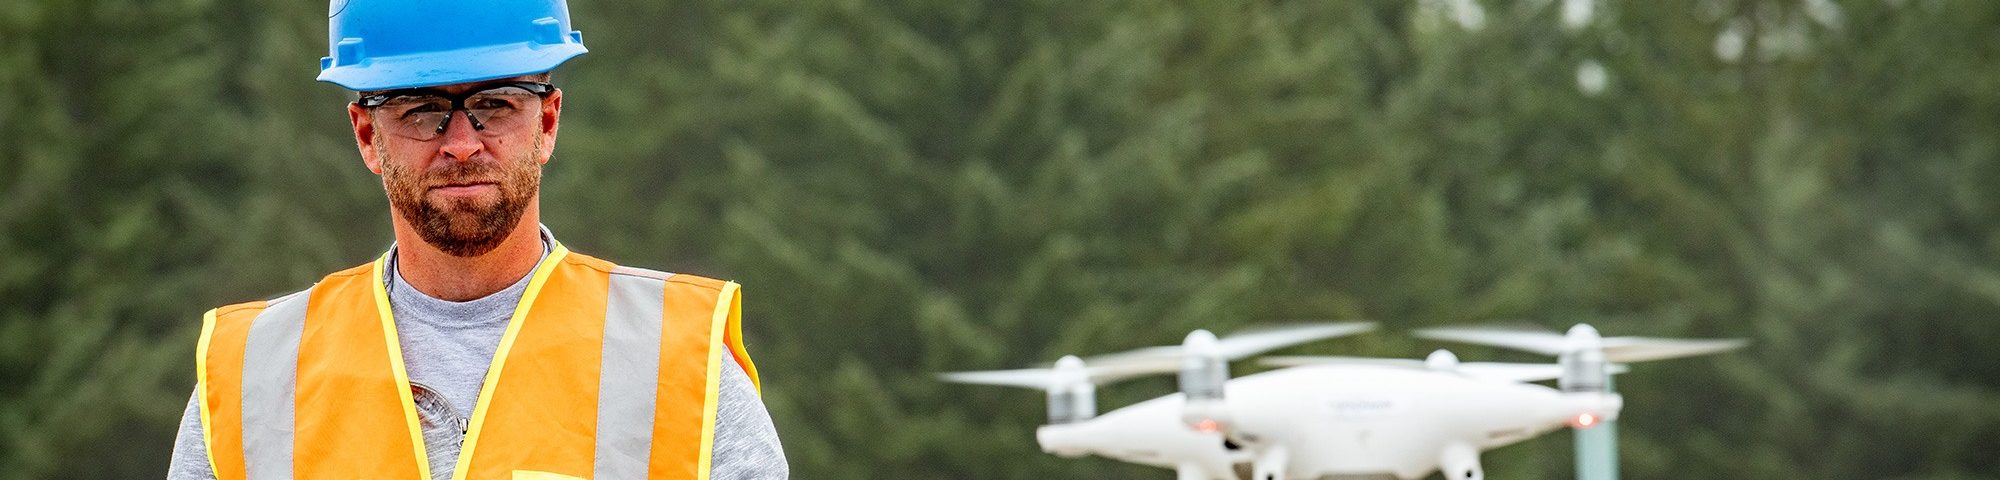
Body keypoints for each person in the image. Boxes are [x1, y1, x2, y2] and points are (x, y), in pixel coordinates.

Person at [166, 0, 787, 478]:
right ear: (365, 135)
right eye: (420, 110)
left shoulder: (679, 362)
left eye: (494, 105)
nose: (462, 144)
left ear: (546, 122)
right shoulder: (252, 377)